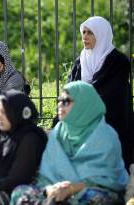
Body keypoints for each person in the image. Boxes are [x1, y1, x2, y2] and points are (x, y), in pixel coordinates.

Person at [11, 81, 129, 205]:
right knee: (21, 193)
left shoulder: (105, 135)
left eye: (66, 101)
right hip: (56, 189)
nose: (59, 106)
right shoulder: (58, 132)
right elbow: (47, 174)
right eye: (59, 101)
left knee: (96, 199)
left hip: (92, 191)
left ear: (83, 104)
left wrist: (71, 189)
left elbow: (109, 179)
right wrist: (50, 189)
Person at [67, 16, 133, 169]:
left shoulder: (118, 62)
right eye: (83, 32)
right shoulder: (81, 61)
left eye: (90, 33)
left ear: (101, 34)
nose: (85, 37)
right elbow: (69, 91)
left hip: (109, 120)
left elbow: (110, 97)